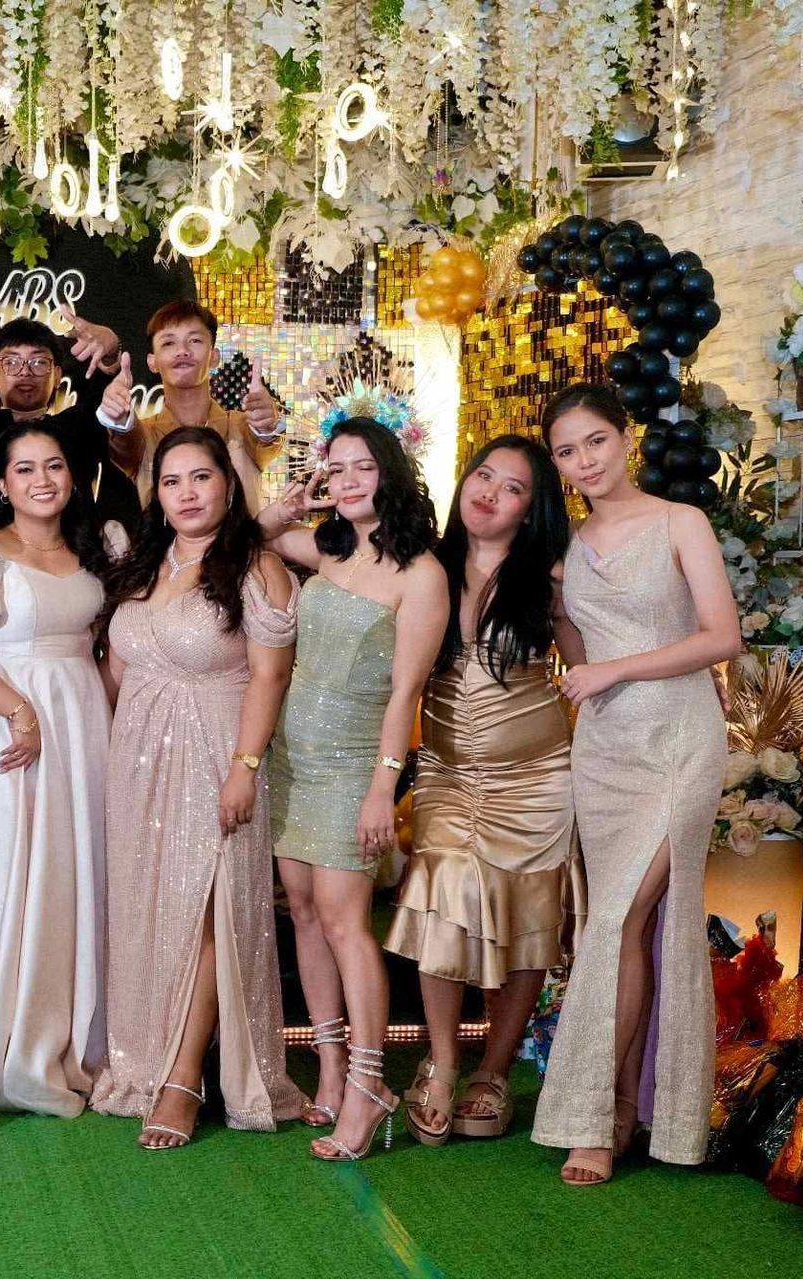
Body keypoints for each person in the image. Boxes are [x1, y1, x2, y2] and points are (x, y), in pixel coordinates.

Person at [529, 385, 738, 1185]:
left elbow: (722, 635)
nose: (584, 461)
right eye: (567, 451)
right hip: (605, 752)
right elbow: (574, 649)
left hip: (679, 740)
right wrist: (579, 651)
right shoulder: (568, 546)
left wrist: (616, 667)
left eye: (595, 442)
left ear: (627, 437)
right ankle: (621, 1104)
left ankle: (596, 1114)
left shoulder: (681, 523)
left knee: (620, 918)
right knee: (617, 922)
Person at [90, 426, 306, 1149]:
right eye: (172, 479)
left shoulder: (258, 567)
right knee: (151, 908)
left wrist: (245, 767)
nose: (186, 492)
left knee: (211, 907)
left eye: (201, 477)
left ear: (228, 484)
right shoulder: (140, 562)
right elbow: (117, 671)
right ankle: (143, 1060)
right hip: (138, 758)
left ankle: (185, 1075)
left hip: (218, 751)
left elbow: (270, 676)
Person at [382, 435, 580, 1145]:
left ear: (531, 511)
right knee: (441, 899)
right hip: (443, 767)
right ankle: (440, 1058)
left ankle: (494, 1068)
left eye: (514, 487)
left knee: (526, 911)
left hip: (536, 775)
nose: (490, 491)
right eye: (483, 474)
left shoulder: (552, 575)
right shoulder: (423, 565)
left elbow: (587, 672)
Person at [258, 416, 447, 1161]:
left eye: (362, 466)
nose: (346, 480)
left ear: (391, 472)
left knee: (344, 921)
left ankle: (371, 1082)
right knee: (301, 912)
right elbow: (253, 533)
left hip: (353, 765)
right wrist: (294, 500)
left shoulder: (422, 572)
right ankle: (331, 1069)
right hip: (289, 757)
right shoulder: (325, 549)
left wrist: (381, 790)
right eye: (334, 468)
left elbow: (407, 695)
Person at [0, 421, 123, 1116]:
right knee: (6, 874)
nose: (42, 479)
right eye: (25, 469)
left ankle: (75, 1034)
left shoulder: (100, 547)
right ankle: (3, 1042)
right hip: (1, 725)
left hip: (82, 725)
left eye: (55, 466)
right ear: (3, 483)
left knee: (76, 877)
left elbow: (106, 651)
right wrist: (19, 710)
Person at [0, 309, 136, 527]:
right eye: (11, 362)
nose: (25, 372)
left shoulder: (77, 429)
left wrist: (109, 352)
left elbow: (103, 407)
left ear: (57, 375)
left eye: (38, 362)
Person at [98, 300, 284, 513]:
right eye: (168, 343)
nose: (182, 351)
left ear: (214, 356)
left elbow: (266, 438)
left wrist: (267, 422)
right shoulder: (143, 436)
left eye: (195, 340)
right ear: (152, 361)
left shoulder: (242, 427)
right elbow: (124, 441)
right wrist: (117, 414)